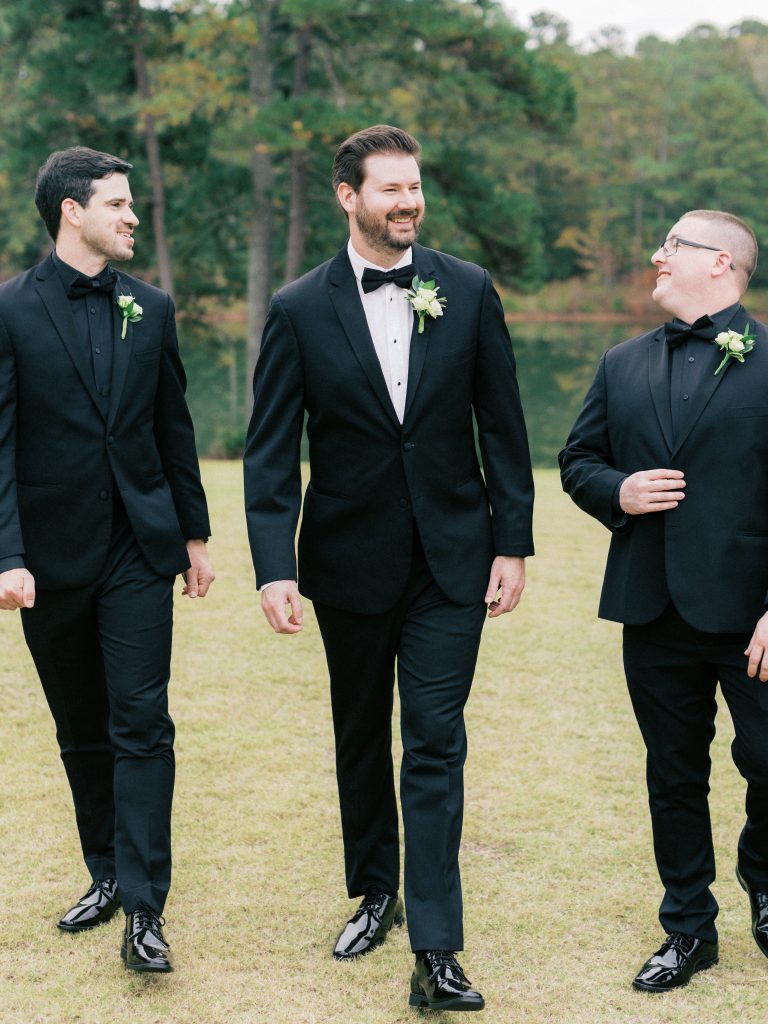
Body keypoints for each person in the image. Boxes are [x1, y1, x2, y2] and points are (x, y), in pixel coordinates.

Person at [244, 124, 534, 1012]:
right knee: (362, 732)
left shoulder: (469, 289)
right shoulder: (298, 307)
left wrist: (512, 542)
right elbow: (269, 453)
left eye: (415, 188)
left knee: (436, 740)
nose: (410, 203)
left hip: (453, 559)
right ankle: (375, 891)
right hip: (348, 560)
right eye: (391, 189)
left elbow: (504, 427)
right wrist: (272, 566)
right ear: (349, 196)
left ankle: (437, 951)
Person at [0, 146, 214, 973]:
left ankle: (146, 910)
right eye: (118, 204)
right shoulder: (9, 308)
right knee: (81, 727)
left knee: (142, 720)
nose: (132, 216)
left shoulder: (150, 307)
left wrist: (193, 536)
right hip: (47, 560)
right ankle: (107, 873)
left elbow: (173, 426)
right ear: (72, 211)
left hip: (138, 548)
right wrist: (8, 554)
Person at [559, 209, 768, 992]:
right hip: (652, 608)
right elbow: (578, 458)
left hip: (753, 615)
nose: (657, 255)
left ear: (720, 263)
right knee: (672, 775)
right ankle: (687, 928)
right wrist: (618, 490)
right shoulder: (622, 362)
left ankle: (761, 871)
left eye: (672, 245)